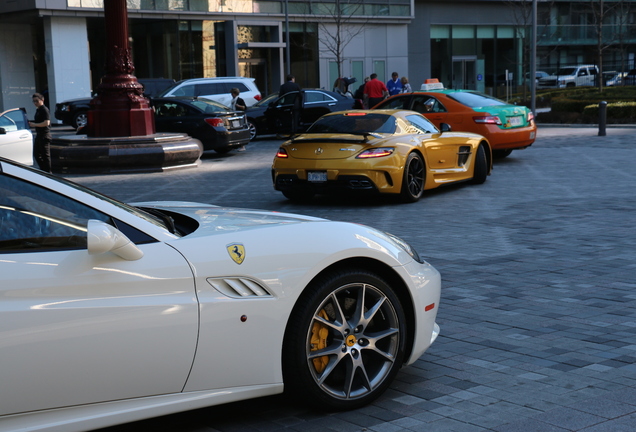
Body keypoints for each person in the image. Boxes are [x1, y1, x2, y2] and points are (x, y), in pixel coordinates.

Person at [29, 93, 52, 173]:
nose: (35, 103)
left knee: (45, 156)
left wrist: (34, 124)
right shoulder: (38, 110)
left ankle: (48, 172)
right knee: (36, 154)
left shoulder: (44, 109)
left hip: (44, 135)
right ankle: (44, 170)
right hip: (39, 135)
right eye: (33, 101)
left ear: (42, 100)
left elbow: (47, 123)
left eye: (36, 101)